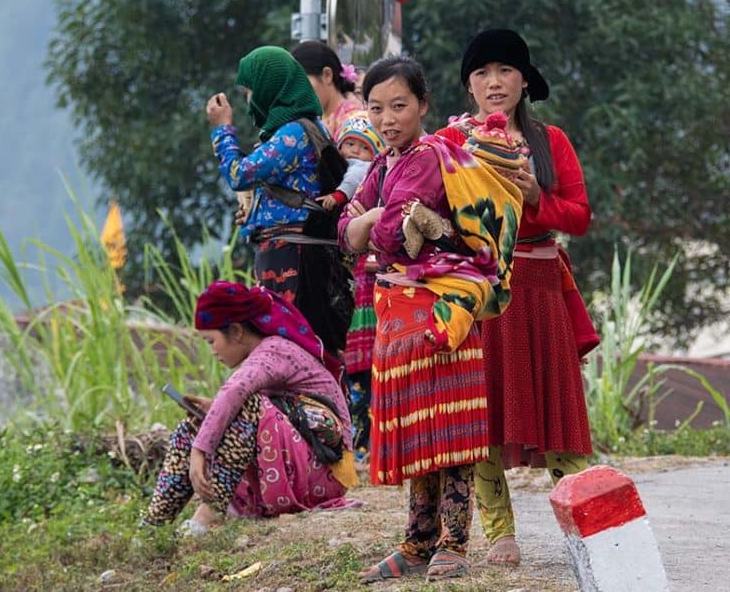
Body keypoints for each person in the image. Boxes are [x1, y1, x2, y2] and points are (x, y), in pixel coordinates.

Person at [339, 56, 522, 582]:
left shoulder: (425, 160)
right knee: (421, 435)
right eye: (376, 108)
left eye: (399, 106)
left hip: (440, 315)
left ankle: (454, 543)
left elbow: (387, 235)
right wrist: (369, 223)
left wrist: (370, 221)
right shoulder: (382, 165)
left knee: (450, 433)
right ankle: (417, 542)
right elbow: (345, 233)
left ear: (423, 105)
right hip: (398, 318)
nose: (387, 119)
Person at [437, 28, 599, 567]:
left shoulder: (551, 142)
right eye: (481, 73)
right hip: (481, 292)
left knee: (559, 414)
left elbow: (580, 216)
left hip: (541, 289)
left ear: (525, 81)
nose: (494, 82)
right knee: (483, 413)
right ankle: (500, 533)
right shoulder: (450, 142)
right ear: (468, 87)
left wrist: (535, 197)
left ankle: (588, 530)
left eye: (505, 70)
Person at [141, 281, 359, 534]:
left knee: (247, 405)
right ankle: (153, 527)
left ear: (236, 331)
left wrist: (199, 451)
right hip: (300, 464)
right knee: (191, 426)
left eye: (211, 341)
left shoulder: (273, 351)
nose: (212, 351)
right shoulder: (262, 355)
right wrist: (211, 411)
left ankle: (207, 515)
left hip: (326, 472)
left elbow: (235, 392)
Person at [206, 45, 351, 357]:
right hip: (284, 253)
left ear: (271, 89)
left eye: (251, 91)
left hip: (294, 259)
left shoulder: (294, 134)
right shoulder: (292, 131)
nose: (250, 101)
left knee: (289, 350)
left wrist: (222, 130)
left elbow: (239, 174)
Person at [317, 116, 384, 459]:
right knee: (356, 384)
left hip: (372, 297)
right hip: (354, 300)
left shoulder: (369, 183)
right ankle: (359, 448)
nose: (355, 153)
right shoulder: (337, 183)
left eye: (363, 147)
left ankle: (371, 447)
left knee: (373, 383)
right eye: (349, 145)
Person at [291, 40, 365, 136]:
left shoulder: (356, 123)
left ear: (327, 75)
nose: (298, 93)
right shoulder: (317, 120)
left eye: (303, 83)